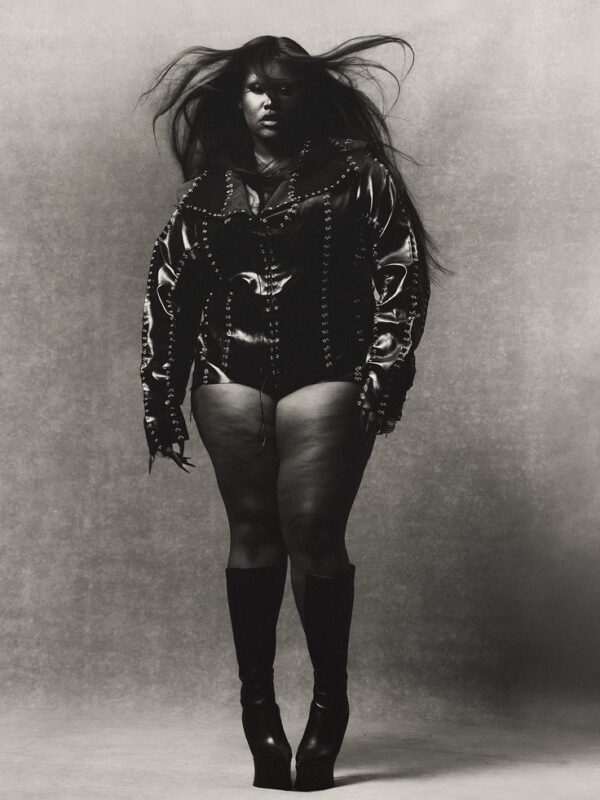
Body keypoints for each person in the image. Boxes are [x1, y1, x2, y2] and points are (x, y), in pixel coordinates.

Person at [138, 34, 445, 792]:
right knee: (252, 532)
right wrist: (159, 391)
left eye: (284, 88)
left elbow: (399, 268)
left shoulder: (357, 175)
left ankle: (329, 705)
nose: (269, 102)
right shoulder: (206, 194)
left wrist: (386, 363)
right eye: (255, 89)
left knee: (312, 531)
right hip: (227, 373)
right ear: (236, 100)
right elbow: (170, 292)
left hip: (328, 372)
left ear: (309, 94)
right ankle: (259, 711)